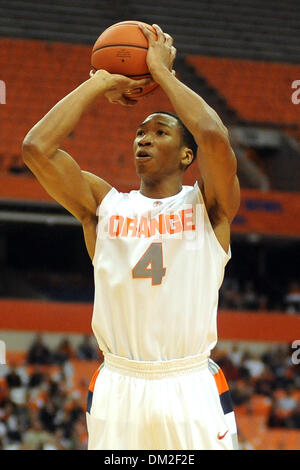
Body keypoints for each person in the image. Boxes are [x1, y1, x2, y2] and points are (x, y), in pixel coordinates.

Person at [22, 23, 240, 450]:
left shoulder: (208, 205)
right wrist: (99, 82)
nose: (144, 138)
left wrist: (162, 74)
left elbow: (214, 135)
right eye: (140, 132)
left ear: (186, 155)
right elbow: (36, 148)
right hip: (119, 383)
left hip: (189, 383)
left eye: (160, 132)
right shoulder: (104, 205)